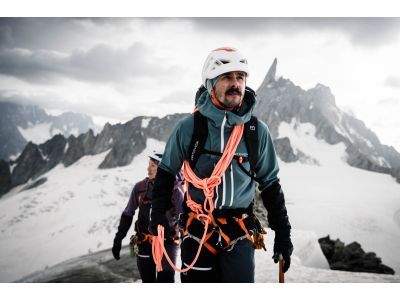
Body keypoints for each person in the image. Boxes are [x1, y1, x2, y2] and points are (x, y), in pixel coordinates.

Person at [149, 47, 293, 283]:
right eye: (227, 77)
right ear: (210, 83)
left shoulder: (256, 132)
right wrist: (157, 219)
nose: (235, 84)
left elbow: (270, 184)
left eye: (240, 77)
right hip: (198, 231)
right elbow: (166, 172)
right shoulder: (190, 128)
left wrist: (283, 234)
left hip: (239, 232)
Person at [112, 151, 184, 283]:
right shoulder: (140, 188)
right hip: (144, 242)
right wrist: (118, 238)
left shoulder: (176, 192)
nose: (148, 169)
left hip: (167, 243)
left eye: (153, 166)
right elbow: (128, 213)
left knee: (165, 282)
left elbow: (184, 220)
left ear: (162, 169)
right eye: (149, 165)